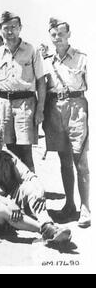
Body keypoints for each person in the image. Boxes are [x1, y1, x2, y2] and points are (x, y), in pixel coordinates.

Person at [0, 119, 72, 247]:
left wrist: (39, 188)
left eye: (0, 139)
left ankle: (47, 223)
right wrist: (8, 202)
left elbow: (27, 175)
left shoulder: (7, 156)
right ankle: (45, 230)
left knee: (31, 187)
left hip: (12, 201)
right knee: (3, 209)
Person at [42, 18, 90, 228]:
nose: (57, 38)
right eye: (53, 34)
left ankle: (86, 208)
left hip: (77, 108)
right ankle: (69, 204)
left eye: (61, 34)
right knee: (64, 160)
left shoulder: (82, 58)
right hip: (55, 109)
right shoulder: (46, 60)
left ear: (69, 34)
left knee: (81, 161)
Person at [0, 11, 46, 172]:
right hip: (4, 104)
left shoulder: (31, 50)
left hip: (25, 104)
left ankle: (33, 191)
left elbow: (41, 81)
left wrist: (40, 109)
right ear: (0, 29)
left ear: (20, 28)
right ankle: (18, 190)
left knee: (26, 151)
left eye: (14, 27)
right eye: (6, 28)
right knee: (10, 150)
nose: (10, 32)